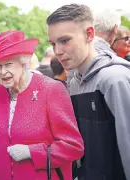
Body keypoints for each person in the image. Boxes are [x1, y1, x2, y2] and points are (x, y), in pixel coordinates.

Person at [0, 30, 84, 180]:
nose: (3, 72)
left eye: (8, 64)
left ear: (24, 62)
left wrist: (32, 152)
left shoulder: (51, 90)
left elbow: (73, 147)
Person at [47, 4, 130, 180]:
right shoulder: (75, 81)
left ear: (89, 34)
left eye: (64, 41)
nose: (58, 51)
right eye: (53, 43)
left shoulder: (114, 78)